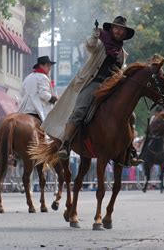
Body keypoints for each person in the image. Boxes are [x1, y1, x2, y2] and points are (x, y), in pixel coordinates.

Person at [42, 16, 141, 166]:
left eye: (121, 29)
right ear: (112, 29)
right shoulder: (101, 43)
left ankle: (130, 150)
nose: (119, 31)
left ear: (124, 33)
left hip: (112, 87)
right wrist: (94, 36)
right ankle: (66, 144)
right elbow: (90, 46)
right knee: (80, 110)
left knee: (131, 115)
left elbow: (119, 71)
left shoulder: (122, 54)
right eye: (116, 28)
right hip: (95, 83)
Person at [18, 55, 58, 122]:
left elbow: (21, 92)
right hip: (36, 110)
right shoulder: (43, 77)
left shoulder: (28, 77)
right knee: (47, 129)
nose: (50, 68)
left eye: (50, 66)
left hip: (25, 109)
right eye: (48, 65)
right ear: (41, 66)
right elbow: (43, 94)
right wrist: (54, 98)